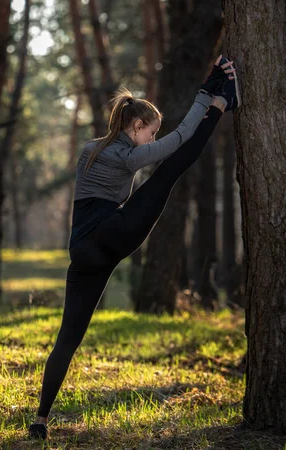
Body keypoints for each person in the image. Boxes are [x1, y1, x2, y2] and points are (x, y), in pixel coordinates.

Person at [29, 55, 240, 440]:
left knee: (67, 338)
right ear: (137, 126)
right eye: (151, 133)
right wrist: (206, 90)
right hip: (114, 234)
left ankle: (40, 418)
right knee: (173, 166)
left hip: (84, 253)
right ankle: (223, 102)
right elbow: (180, 139)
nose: (154, 141)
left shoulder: (91, 149)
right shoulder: (128, 154)